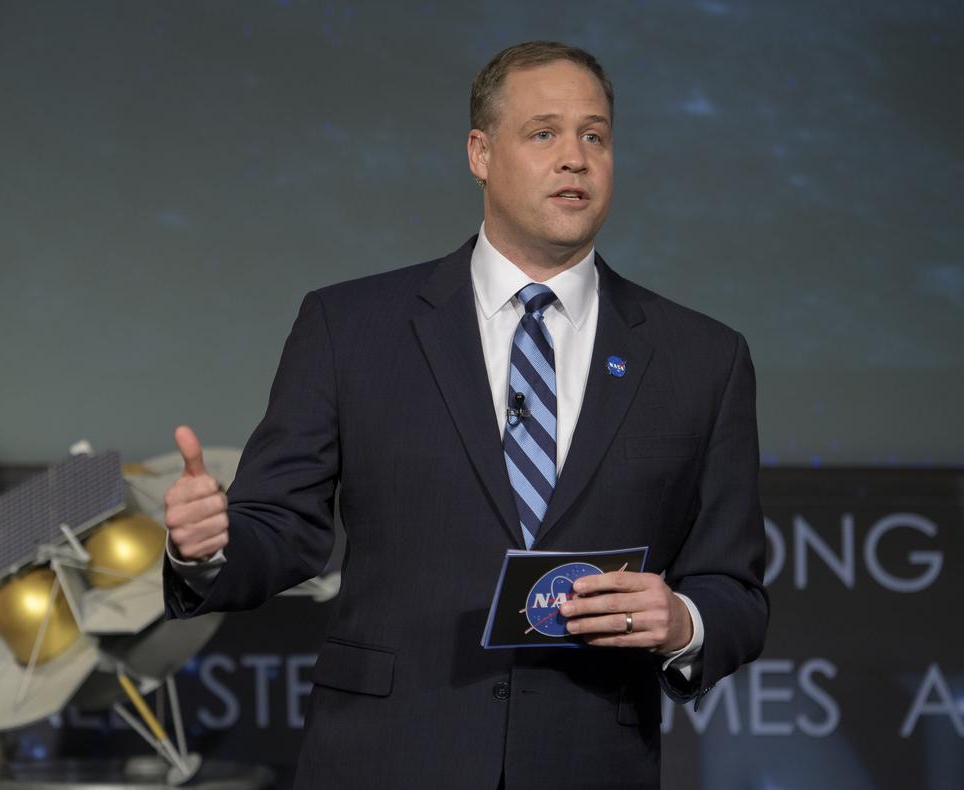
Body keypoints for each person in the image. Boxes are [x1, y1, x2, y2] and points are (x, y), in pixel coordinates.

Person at [161, 41, 768, 789]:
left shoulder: (702, 357)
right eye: (544, 133)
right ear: (480, 153)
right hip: (387, 758)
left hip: (588, 762)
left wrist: (682, 622)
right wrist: (206, 549)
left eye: (595, 135)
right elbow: (282, 531)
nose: (575, 158)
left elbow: (734, 589)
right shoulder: (350, 327)